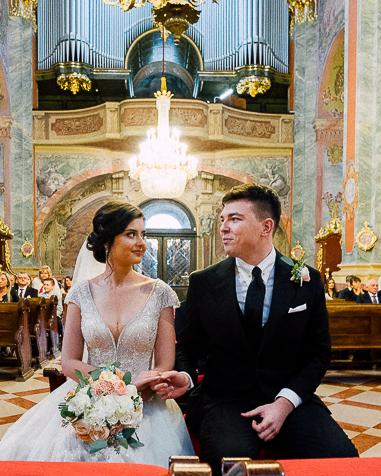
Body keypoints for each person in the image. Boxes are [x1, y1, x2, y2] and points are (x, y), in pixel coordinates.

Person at [153, 184, 357, 474]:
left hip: (288, 398)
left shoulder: (306, 280)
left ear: (266, 227)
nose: (223, 227)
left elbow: (318, 353)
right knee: (230, 464)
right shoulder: (205, 282)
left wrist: (285, 403)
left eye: (235, 219)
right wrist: (186, 377)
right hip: (225, 400)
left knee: (341, 460)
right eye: (223, 219)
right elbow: (187, 345)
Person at [0, 201, 193, 465]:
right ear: (107, 242)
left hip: (145, 402)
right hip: (89, 399)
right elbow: (69, 361)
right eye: (131, 234)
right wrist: (112, 388)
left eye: (143, 234)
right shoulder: (81, 293)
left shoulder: (160, 293)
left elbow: (165, 362)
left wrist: (136, 390)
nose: (141, 243)